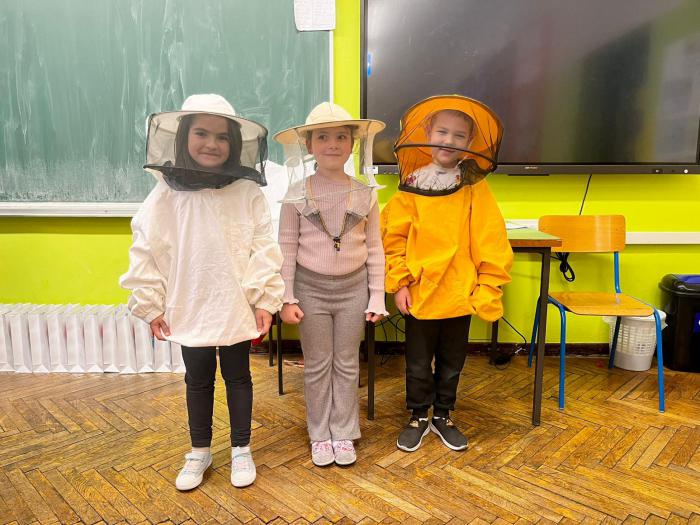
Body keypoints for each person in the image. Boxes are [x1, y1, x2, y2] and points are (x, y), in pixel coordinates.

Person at [120, 94, 284, 490]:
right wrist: (150, 304)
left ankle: (241, 448)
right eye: (201, 133)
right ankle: (200, 450)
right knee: (197, 379)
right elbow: (146, 249)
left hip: (234, 302)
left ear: (235, 143)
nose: (212, 143)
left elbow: (263, 246)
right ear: (182, 137)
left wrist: (264, 299)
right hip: (188, 300)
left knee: (239, 376)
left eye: (222, 136)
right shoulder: (165, 193)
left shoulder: (246, 192)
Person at [381, 95, 513, 452]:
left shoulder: (474, 187)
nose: (448, 140)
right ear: (427, 133)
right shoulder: (412, 184)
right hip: (420, 292)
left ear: (470, 143)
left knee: (452, 361)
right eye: (442, 131)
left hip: (459, 291)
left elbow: (490, 238)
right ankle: (418, 415)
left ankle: (443, 414)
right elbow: (394, 237)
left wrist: (487, 286)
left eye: (459, 135)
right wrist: (400, 283)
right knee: (417, 361)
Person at [274, 102, 387, 466]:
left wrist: (377, 295)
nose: (333, 144)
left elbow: (375, 247)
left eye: (341, 137)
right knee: (318, 364)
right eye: (323, 137)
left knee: (347, 363)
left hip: (354, 290)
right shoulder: (297, 194)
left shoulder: (365, 193)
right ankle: (320, 434)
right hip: (310, 290)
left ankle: (344, 431)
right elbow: (286, 247)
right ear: (309, 145)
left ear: (353, 143)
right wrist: (287, 296)